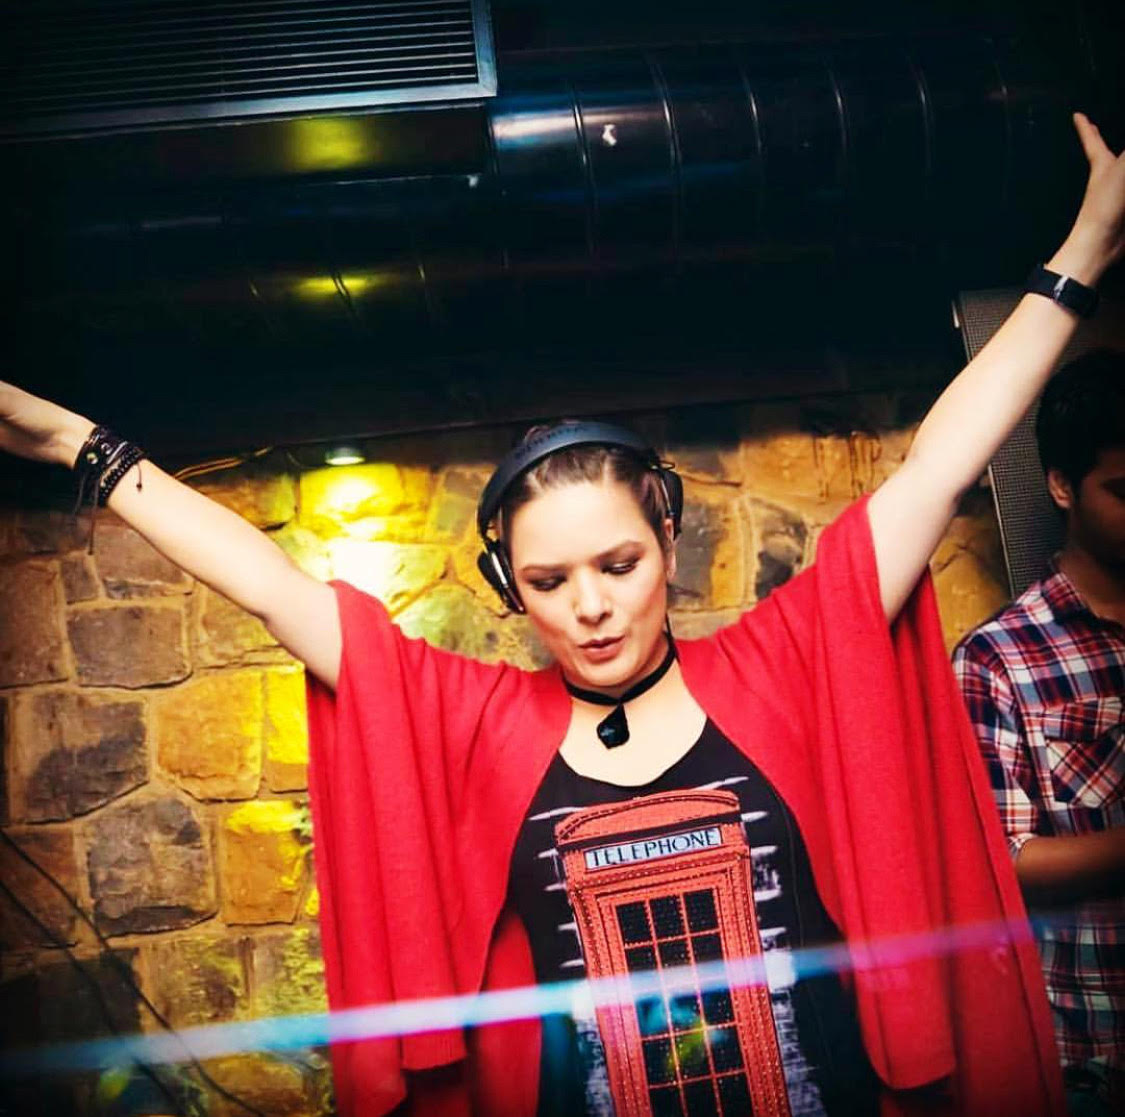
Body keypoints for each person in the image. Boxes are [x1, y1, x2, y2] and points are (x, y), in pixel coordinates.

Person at [1, 112, 1122, 1117]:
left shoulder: (783, 661)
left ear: (668, 543)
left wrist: (1081, 256)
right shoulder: (474, 719)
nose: (590, 606)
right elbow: (269, 584)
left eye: (618, 563)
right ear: (509, 587)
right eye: (548, 581)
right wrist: (79, 446)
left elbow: (936, 466)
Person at [953, 348, 1125, 1117]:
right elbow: (1004, 861)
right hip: (1097, 1044)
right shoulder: (996, 658)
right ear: (1061, 485)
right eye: (1122, 490)